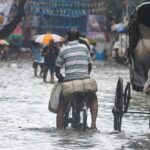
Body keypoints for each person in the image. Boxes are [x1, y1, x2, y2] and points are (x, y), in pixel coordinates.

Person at [55, 28, 98, 129]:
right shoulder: (84, 47)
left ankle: (59, 129)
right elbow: (89, 65)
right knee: (93, 99)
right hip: (84, 80)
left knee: (61, 106)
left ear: (67, 38)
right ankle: (93, 124)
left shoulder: (63, 50)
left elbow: (57, 69)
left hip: (69, 83)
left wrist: (60, 76)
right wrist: (85, 75)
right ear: (79, 38)